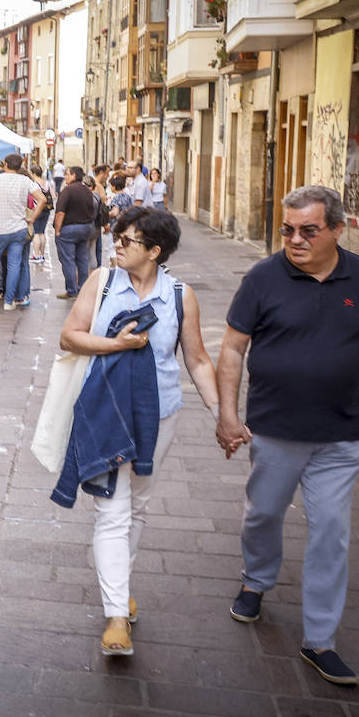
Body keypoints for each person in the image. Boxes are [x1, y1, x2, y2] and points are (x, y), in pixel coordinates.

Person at [215, 185, 359, 687]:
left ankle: (320, 640)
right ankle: (257, 580)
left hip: (341, 435)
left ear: (338, 229)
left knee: (331, 534)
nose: (294, 240)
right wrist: (228, 414)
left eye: (308, 230)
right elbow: (232, 350)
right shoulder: (262, 279)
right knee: (264, 513)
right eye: (287, 230)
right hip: (275, 430)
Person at [53, 206, 219, 657]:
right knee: (112, 508)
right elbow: (70, 335)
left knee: (138, 506)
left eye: (127, 240)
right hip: (105, 410)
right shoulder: (101, 282)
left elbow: (198, 359)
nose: (117, 245)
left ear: (155, 251)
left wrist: (222, 412)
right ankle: (115, 615)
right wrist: (116, 344)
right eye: (116, 237)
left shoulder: (180, 296)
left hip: (160, 414)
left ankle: (118, 586)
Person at [0, 153, 46, 310]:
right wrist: (32, 219)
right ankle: (9, 302)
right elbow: (43, 199)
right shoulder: (26, 181)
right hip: (19, 228)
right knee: (14, 264)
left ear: (5, 165)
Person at [53, 165, 98, 298]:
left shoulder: (68, 190)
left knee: (68, 260)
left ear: (74, 176)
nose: (65, 176)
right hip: (86, 227)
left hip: (70, 228)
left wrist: (57, 230)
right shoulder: (87, 190)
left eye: (67, 174)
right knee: (82, 258)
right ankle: (82, 288)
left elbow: (60, 212)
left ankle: (72, 290)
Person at [29, 163, 54, 266]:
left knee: (36, 233)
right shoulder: (47, 183)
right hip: (46, 210)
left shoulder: (34, 184)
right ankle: (42, 255)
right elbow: (53, 195)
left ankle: (36, 255)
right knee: (42, 233)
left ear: (33, 173)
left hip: (37, 209)